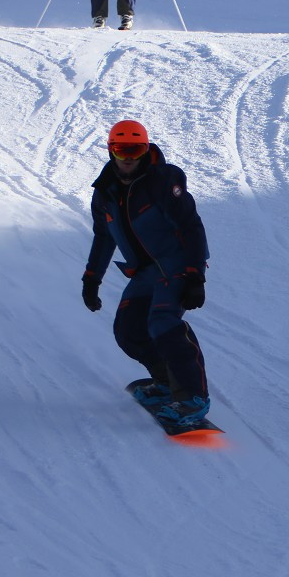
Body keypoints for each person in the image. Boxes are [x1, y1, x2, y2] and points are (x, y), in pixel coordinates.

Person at [82, 120, 211, 424]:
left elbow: (190, 226)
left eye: (135, 150)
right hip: (146, 270)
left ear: (145, 149)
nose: (128, 158)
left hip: (178, 262)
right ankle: (166, 383)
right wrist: (91, 280)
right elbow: (103, 238)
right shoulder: (104, 193)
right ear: (110, 150)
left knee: (163, 321)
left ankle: (193, 398)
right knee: (129, 332)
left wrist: (195, 275)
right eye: (121, 150)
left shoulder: (163, 181)